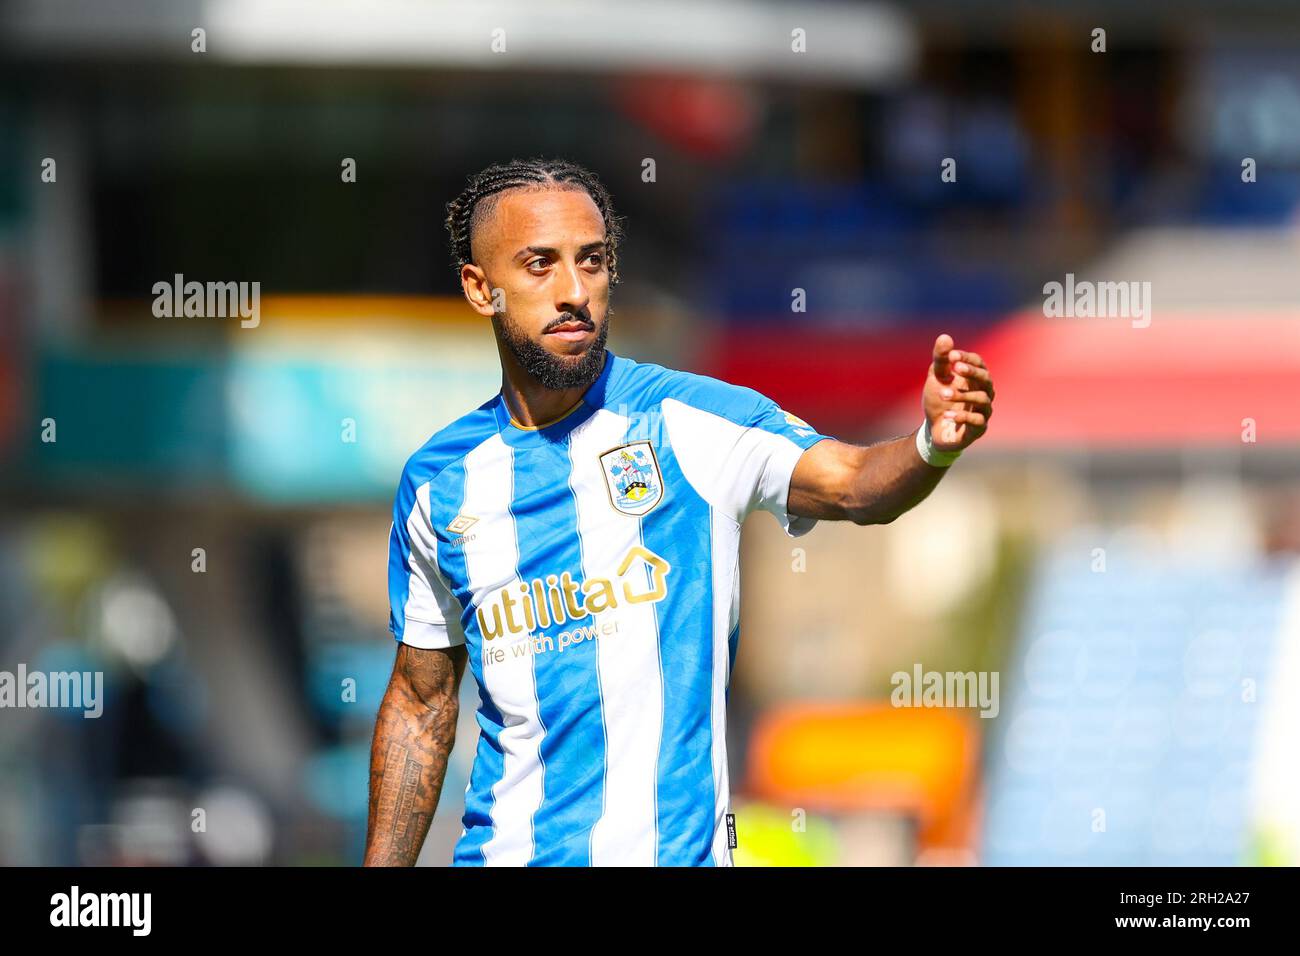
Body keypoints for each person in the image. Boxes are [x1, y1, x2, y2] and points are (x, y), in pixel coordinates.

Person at [364, 157, 995, 866]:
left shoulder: (692, 422)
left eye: (592, 262)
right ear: (482, 288)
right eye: (540, 265)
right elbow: (421, 707)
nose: (574, 291)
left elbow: (852, 482)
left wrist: (928, 446)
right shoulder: (439, 480)